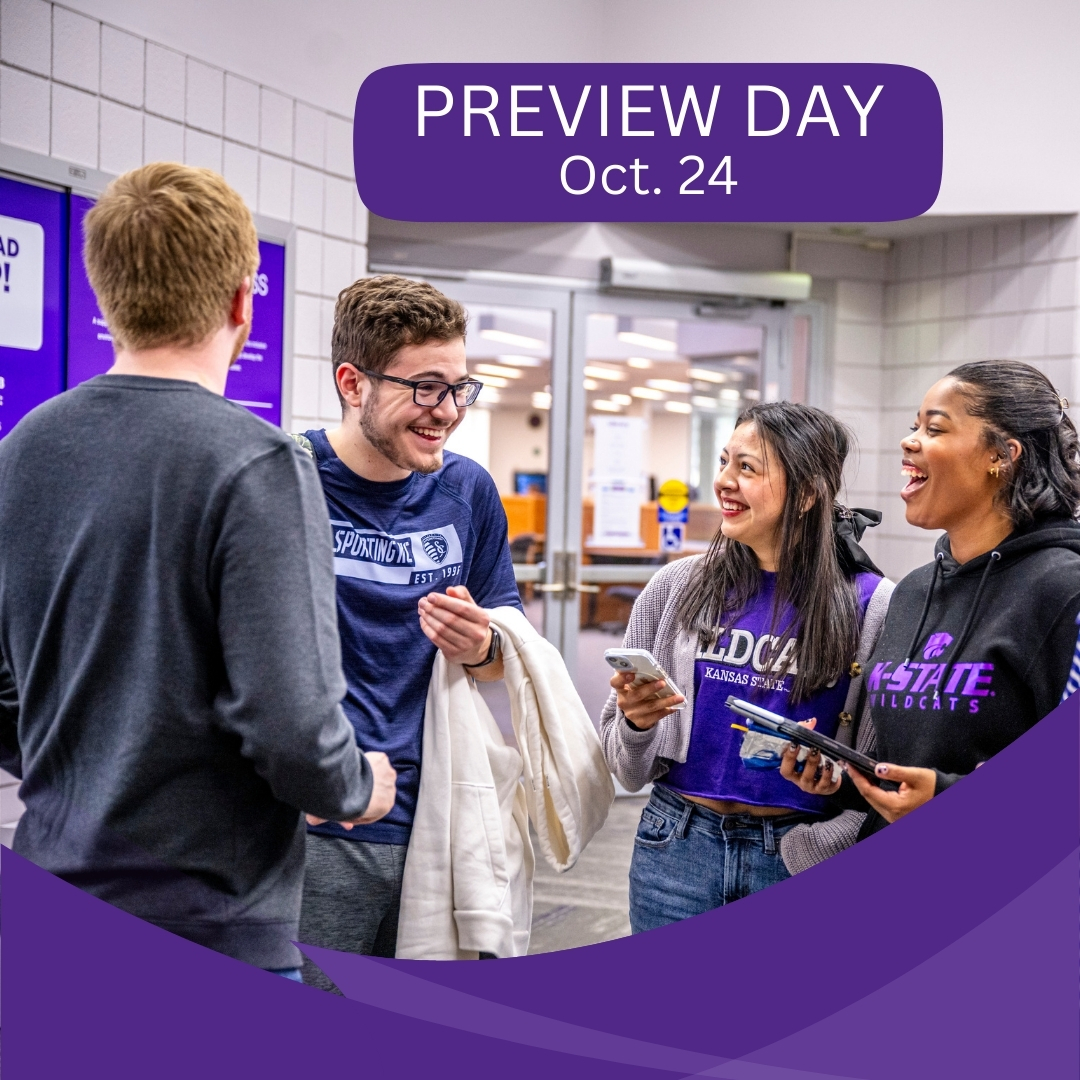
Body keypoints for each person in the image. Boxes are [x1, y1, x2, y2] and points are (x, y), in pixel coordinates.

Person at [0, 163, 396, 979]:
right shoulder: (257, 464)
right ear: (243, 304)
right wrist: (359, 786)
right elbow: (291, 726)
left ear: (104, 296)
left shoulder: (22, 450)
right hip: (208, 925)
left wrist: (87, 764)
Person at [295, 275, 521, 984]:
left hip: (441, 824)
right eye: (424, 387)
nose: (447, 411)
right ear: (352, 382)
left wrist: (483, 646)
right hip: (317, 826)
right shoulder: (284, 479)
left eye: (459, 387)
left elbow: (502, 656)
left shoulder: (468, 492)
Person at [601, 402, 893, 933]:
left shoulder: (874, 606)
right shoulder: (675, 588)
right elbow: (623, 767)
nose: (723, 482)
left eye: (747, 468)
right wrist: (636, 723)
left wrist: (832, 810)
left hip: (797, 857)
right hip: (675, 848)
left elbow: (881, 770)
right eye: (723, 462)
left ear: (806, 494)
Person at [782, 360, 1080, 831]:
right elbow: (905, 758)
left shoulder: (1064, 590)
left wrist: (947, 795)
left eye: (935, 428)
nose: (909, 440)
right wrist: (844, 778)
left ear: (1001, 455)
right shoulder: (915, 590)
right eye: (914, 425)